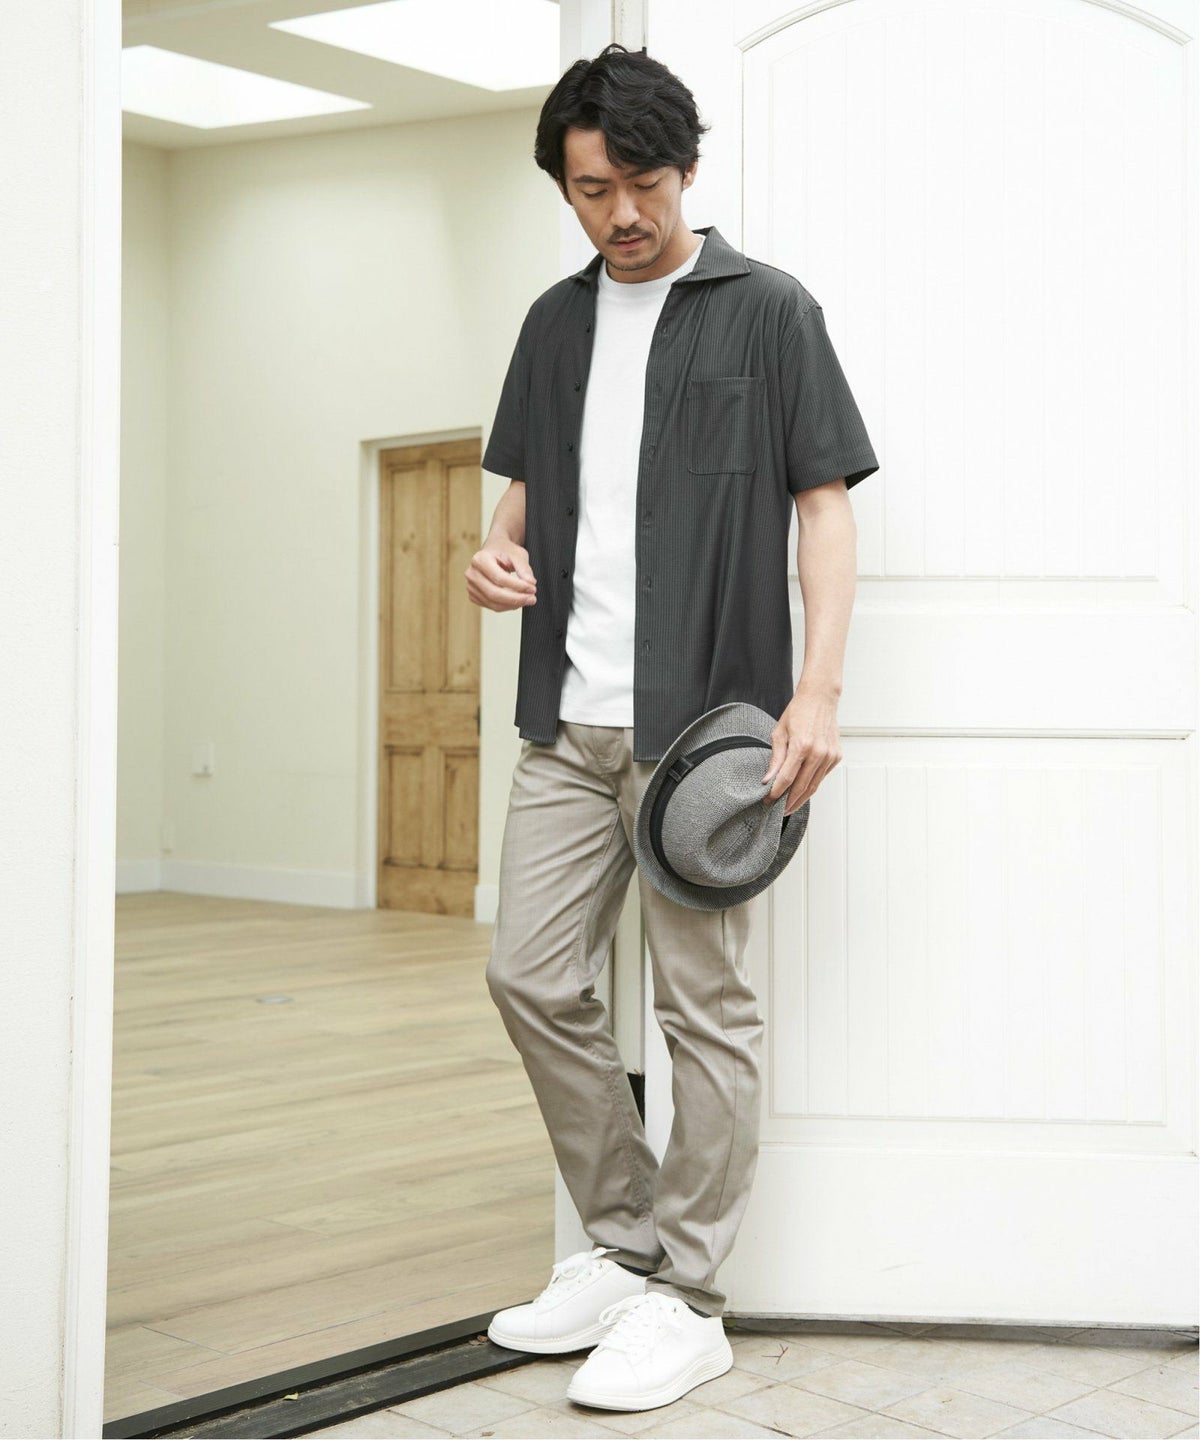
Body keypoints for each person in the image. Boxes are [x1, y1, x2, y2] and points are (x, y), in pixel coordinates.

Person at [464, 41, 879, 1413]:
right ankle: (627, 1244)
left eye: (642, 183)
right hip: (566, 724)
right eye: (592, 191)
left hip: (703, 737)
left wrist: (818, 689)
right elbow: (521, 501)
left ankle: (689, 1297)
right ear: (565, 190)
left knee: (705, 1010)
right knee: (530, 976)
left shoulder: (769, 312)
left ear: (686, 169)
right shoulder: (553, 324)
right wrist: (493, 555)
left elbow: (824, 507)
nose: (622, 213)